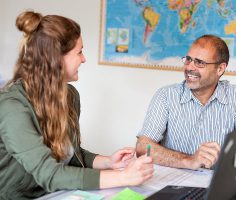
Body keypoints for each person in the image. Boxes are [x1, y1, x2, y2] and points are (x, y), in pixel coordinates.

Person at [0, 11, 154, 199]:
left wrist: (108, 162)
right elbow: (50, 174)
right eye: (79, 51)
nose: (84, 59)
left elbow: (71, 153)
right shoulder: (12, 107)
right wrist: (123, 177)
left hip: (60, 193)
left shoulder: (70, 96)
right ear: (55, 58)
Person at [136, 34, 236, 187]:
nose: (189, 67)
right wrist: (189, 160)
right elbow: (143, 147)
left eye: (199, 62)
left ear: (220, 69)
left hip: (217, 188)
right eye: (188, 59)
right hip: (170, 185)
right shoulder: (166, 96)